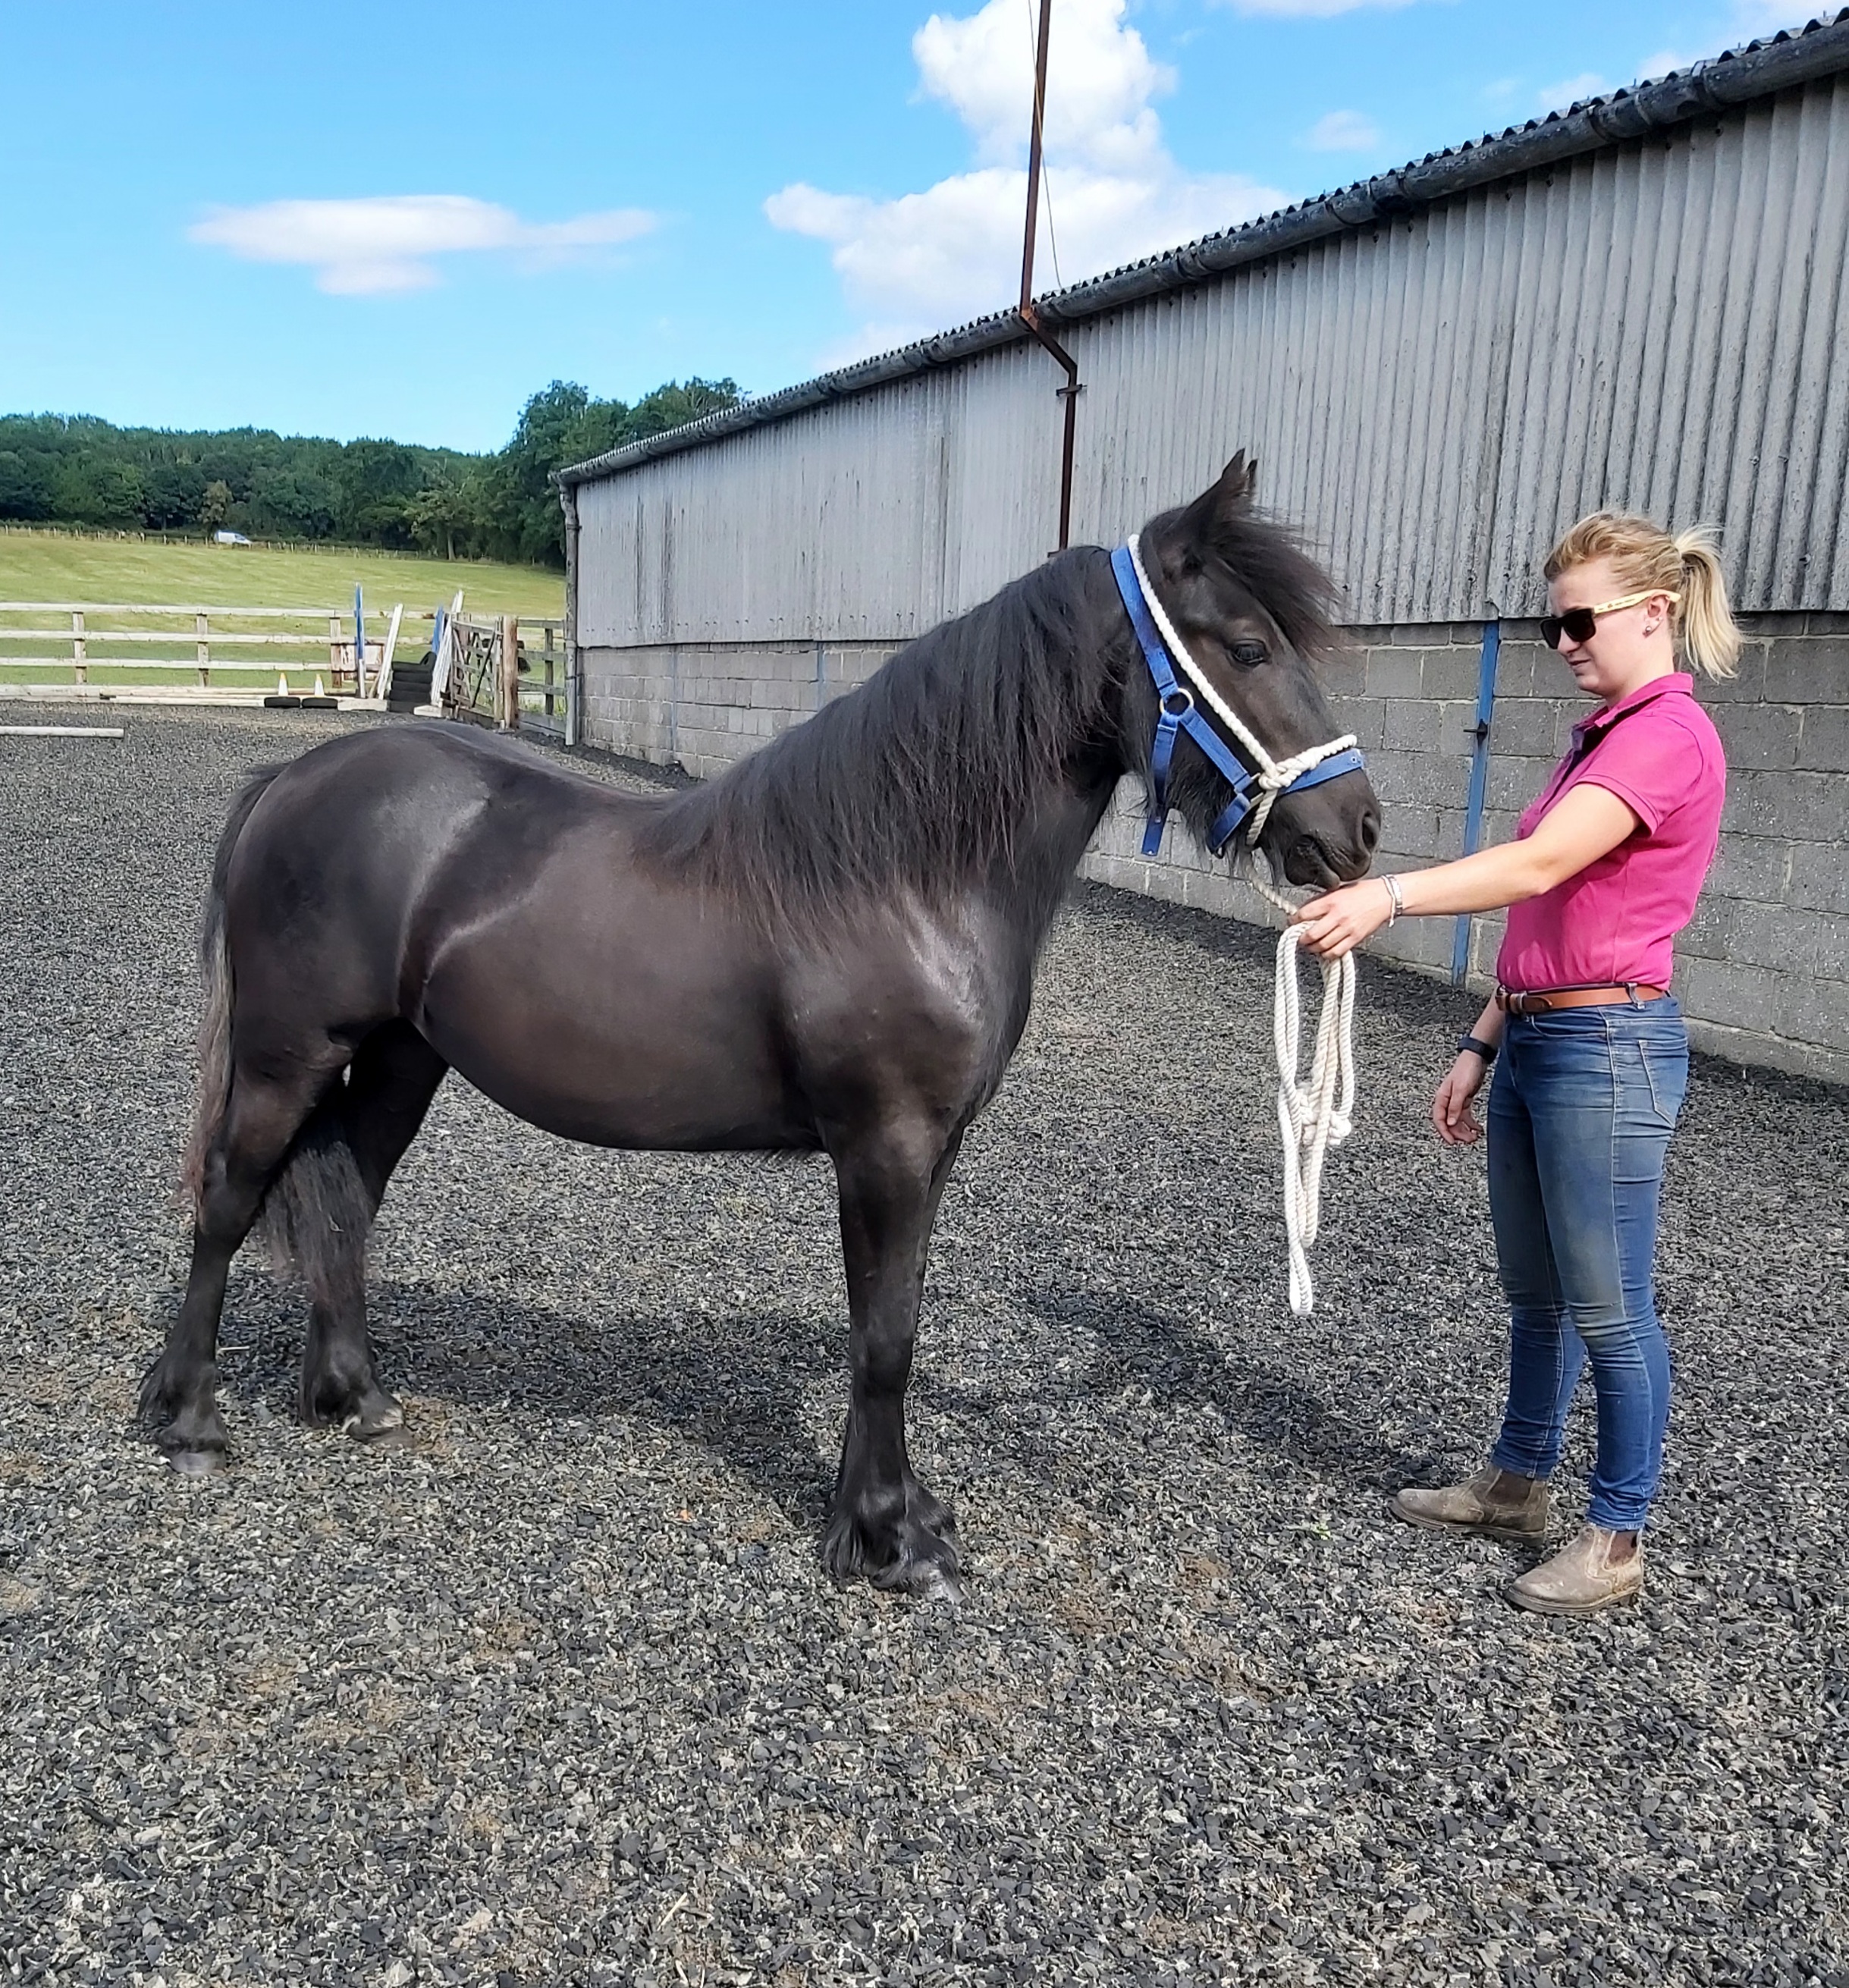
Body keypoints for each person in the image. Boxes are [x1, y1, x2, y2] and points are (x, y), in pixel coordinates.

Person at [1290, 512, 1741, 1616]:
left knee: (1610, 1306)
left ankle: (1617, 1533)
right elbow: (1550, 906)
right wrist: (1480, 1039)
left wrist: (1385, 895)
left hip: (1606, 1048)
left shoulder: (1663, 737)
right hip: (1542, 1035)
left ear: (1653, 611)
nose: (1563, 641)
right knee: (1533, 1292)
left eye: (1579, 620)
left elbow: (1535, 860)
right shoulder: (1600, 735)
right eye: (1554, 623)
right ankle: (1514, 1482)